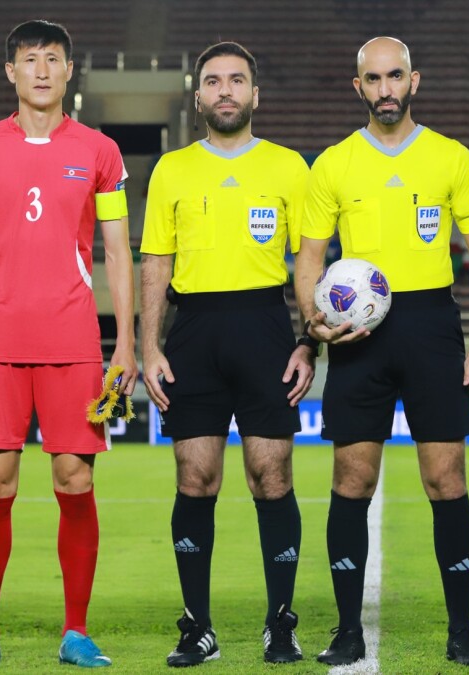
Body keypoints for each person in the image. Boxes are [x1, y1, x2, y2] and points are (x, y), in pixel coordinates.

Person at [294, 36, 469, 668]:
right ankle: (347, 631)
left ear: (414, 81)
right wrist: (313, 326)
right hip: (359, 335)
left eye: (395, 76)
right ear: (358, 87)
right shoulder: (333, 164)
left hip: (432, 324)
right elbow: (309, 260)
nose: (386, 89)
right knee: (352, 480)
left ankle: (462, 631)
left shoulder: (450, 157)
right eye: (374, 79)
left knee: (446, 479)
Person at [0, 20, 135, 668]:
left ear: (69, 70)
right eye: (30, 60)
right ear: (11, 72)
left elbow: (117, 251)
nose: (42, 70)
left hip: (75, 343)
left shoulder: (101, 151)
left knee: (74, 478)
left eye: (53, 59)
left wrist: (125, 343)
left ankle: (76, 630)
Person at [139, 41, 315, 667]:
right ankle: (198, 627)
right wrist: (148, 345)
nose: (225, 90)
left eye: (236, 80)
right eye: (213, 81)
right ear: (198, 97)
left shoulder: (290, 168)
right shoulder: (172, 170)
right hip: (194, 332)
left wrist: (308, 338)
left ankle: (280, 623)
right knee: (195, 477)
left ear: (255, 94)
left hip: (266, 326)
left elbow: (309, 263)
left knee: (273, 476)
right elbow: (155, 261)